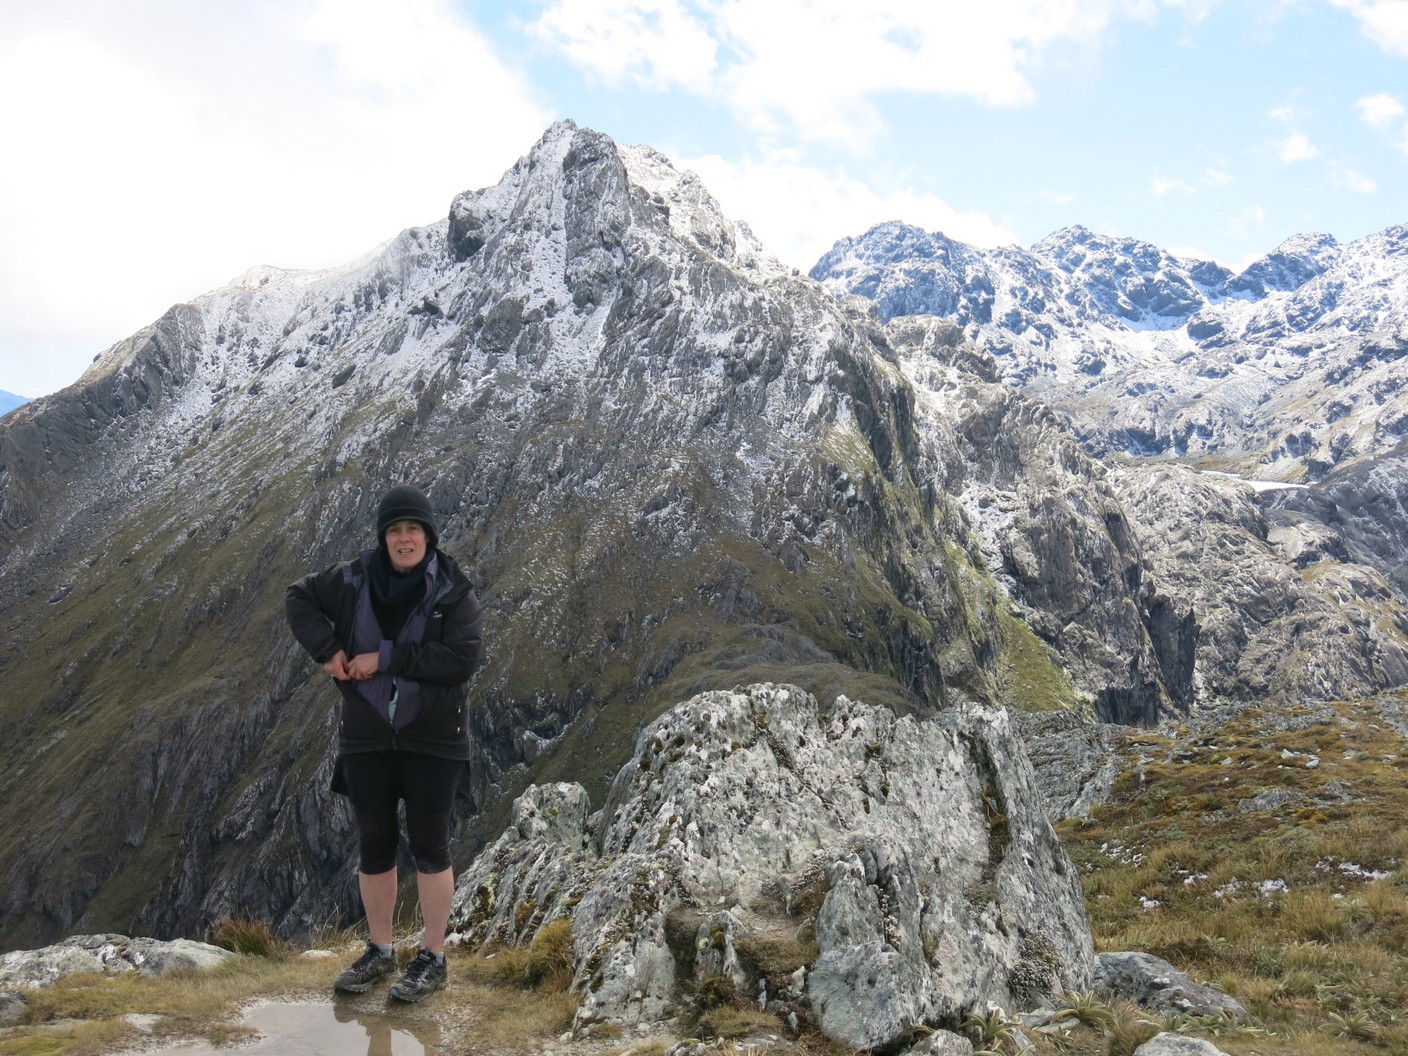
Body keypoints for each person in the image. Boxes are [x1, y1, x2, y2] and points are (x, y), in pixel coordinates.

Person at [286, 484, 483, 1002]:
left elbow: (461, 659)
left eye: (413, 529)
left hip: (433, 736)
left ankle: (433, 958)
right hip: (368, 732)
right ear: (383, 537)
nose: (404, 538)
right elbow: (298, 597)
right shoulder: (352, 578)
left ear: (428, 536)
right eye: (395, 530)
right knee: (374, 842)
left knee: (429, 845)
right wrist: (327, 650)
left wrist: (386, 658)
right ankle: (380, 951)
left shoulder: (453, 589)